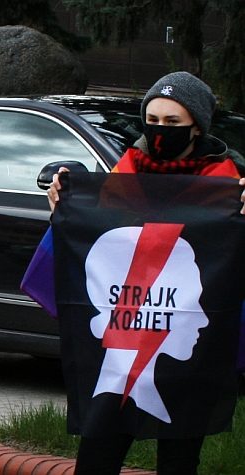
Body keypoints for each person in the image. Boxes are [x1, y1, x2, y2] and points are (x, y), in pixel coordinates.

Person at [45, 71, 244, 474]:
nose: (159, 131)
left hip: (188, 343)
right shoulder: (127, 170)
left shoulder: (227, 182)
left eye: (172, 123)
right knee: (100, 446)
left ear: (197, 127)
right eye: (152, 121)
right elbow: (95, 232)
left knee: (179, 454)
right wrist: (64, 206)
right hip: (124, 335)